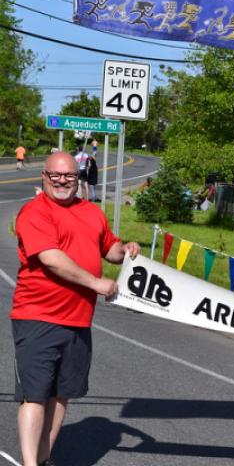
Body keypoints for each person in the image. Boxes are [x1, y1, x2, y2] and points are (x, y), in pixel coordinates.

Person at [10, 152, 140, 466]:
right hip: (37, 317)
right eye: (56, 175)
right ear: (44, 176)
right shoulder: (35, 212)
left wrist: (126, 249)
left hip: (79, 320)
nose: (63, 181)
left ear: (78, 177)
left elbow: (109, 247)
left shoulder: (91, 213)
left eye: (69, 175)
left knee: (60, 395)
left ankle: (42, 459)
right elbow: (51, 258)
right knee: (35, 395)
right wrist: (96, 284)